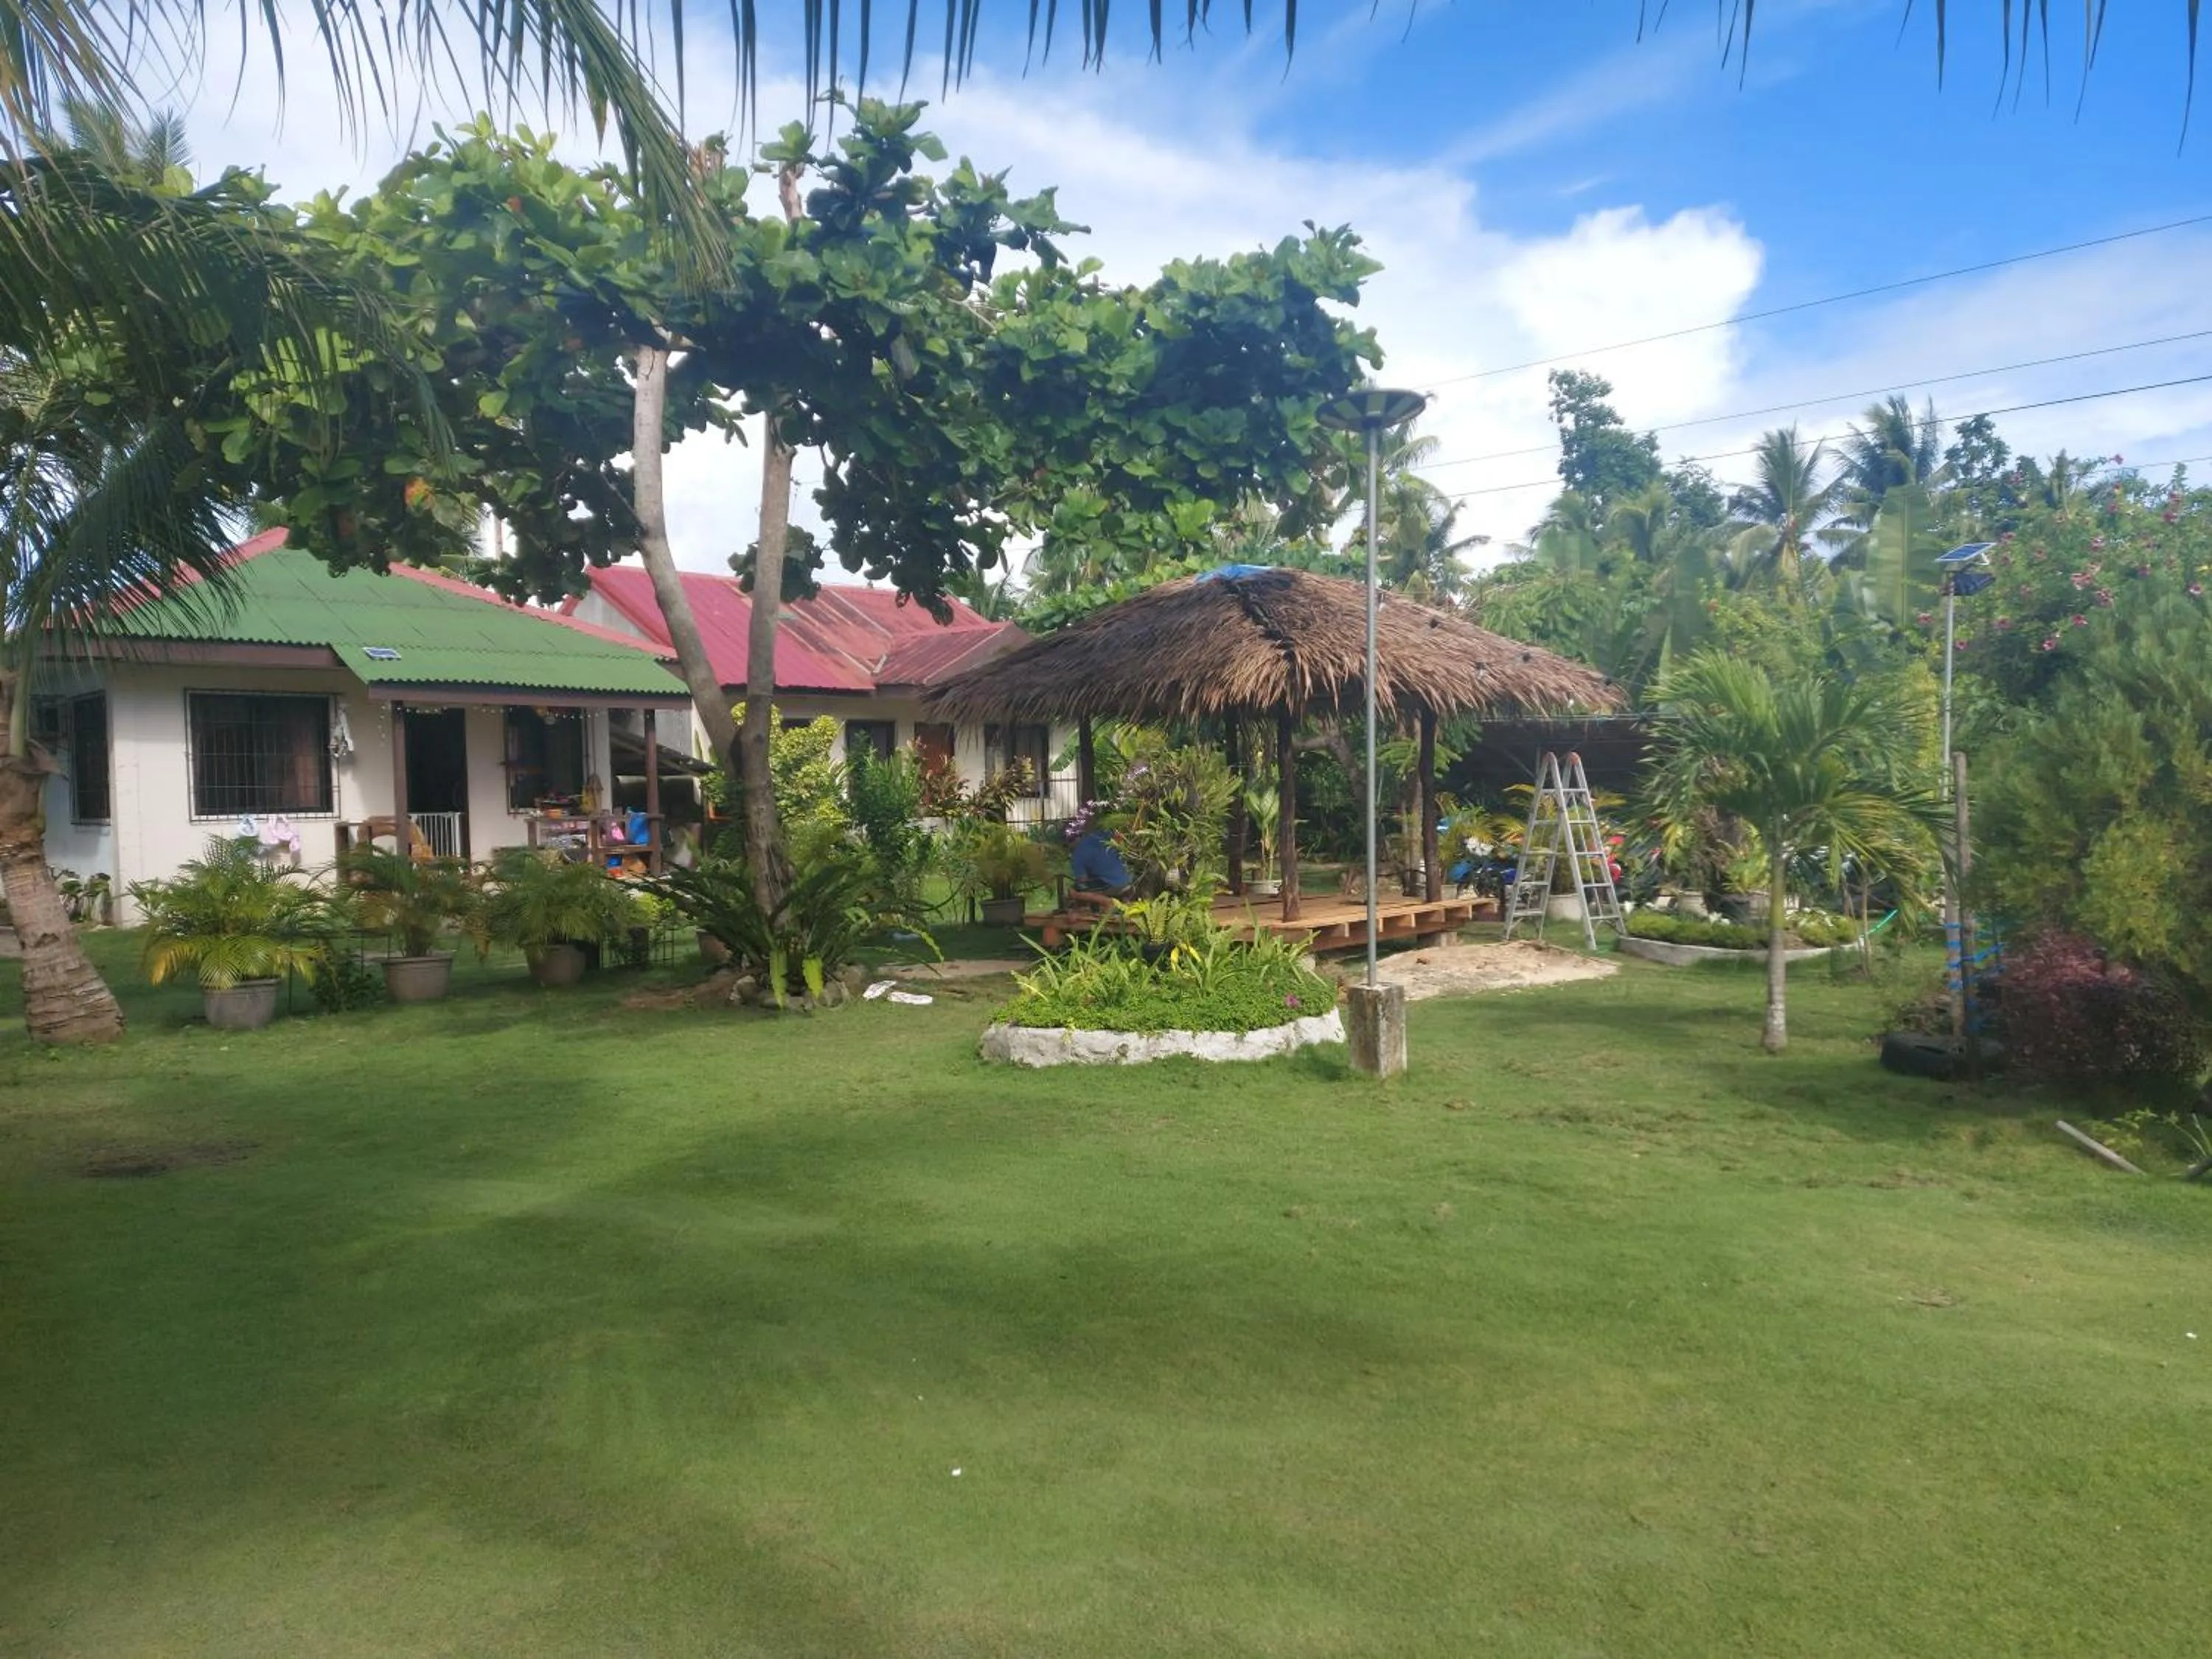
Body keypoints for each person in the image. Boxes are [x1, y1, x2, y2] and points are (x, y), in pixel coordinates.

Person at [1068, 827, 1132, 897]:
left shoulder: (1077, 854)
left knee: (1075, 890)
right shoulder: (1100, 834)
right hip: (1129, 879)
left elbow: (1082, 880)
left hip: (1113, 884)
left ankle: (1106, 902)